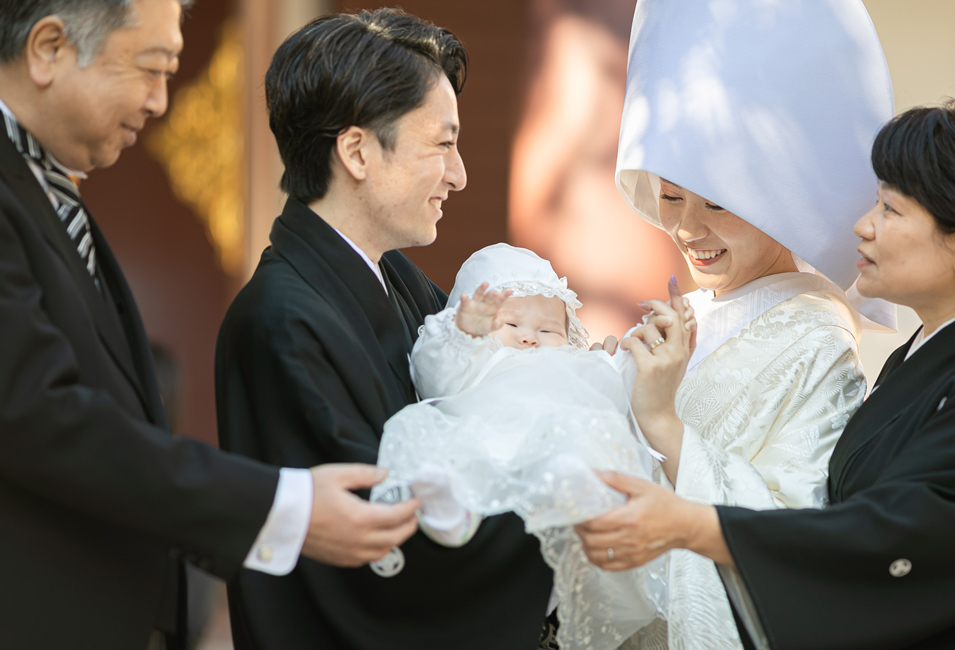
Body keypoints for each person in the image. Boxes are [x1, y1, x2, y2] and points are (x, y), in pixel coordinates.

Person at [0, 1, 423, 649]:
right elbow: (38, 413)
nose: (162, 102)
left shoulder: (47, 188)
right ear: (49, 48)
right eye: (151, 68)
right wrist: (283, 508)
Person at [579, 89, 955, 650]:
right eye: (875, 204)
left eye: (890, 210)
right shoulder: (919, 355)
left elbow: (901, 535)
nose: (861, 227)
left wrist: (698, 523)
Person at [215, 11, 554, 650]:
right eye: (442, 145)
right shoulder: (283, 319)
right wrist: (571, 527)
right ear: (358, 150)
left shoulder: (393, 276)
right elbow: (375, 539)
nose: (459, 174)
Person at [589, 1, 898, 648]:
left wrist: (658, 417)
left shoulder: (814, 334)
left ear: (783, 197)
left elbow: (791, 521)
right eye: (670, 196)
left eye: (718, 203)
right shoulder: (700, 310)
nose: (687, 228)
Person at [374, 243, 697, 649]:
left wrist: (651, 341)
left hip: (561, 465)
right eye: (509, 324)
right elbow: (433, 374)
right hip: (487, 449)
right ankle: (447, 509)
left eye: (548, 330)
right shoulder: (476, 362)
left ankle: (558, 588)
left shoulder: (572, 365)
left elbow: (617, 382)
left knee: (583, 464)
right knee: (451, 462)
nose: (529, 339)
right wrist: (463, 334)